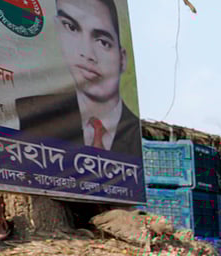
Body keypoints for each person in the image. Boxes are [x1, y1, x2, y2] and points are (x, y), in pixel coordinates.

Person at [15, 0, 140, 155]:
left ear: (122, 59)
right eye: (71, 28)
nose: (87, 53)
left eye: (103, 42)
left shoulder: (136, 136)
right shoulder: (32, 114)